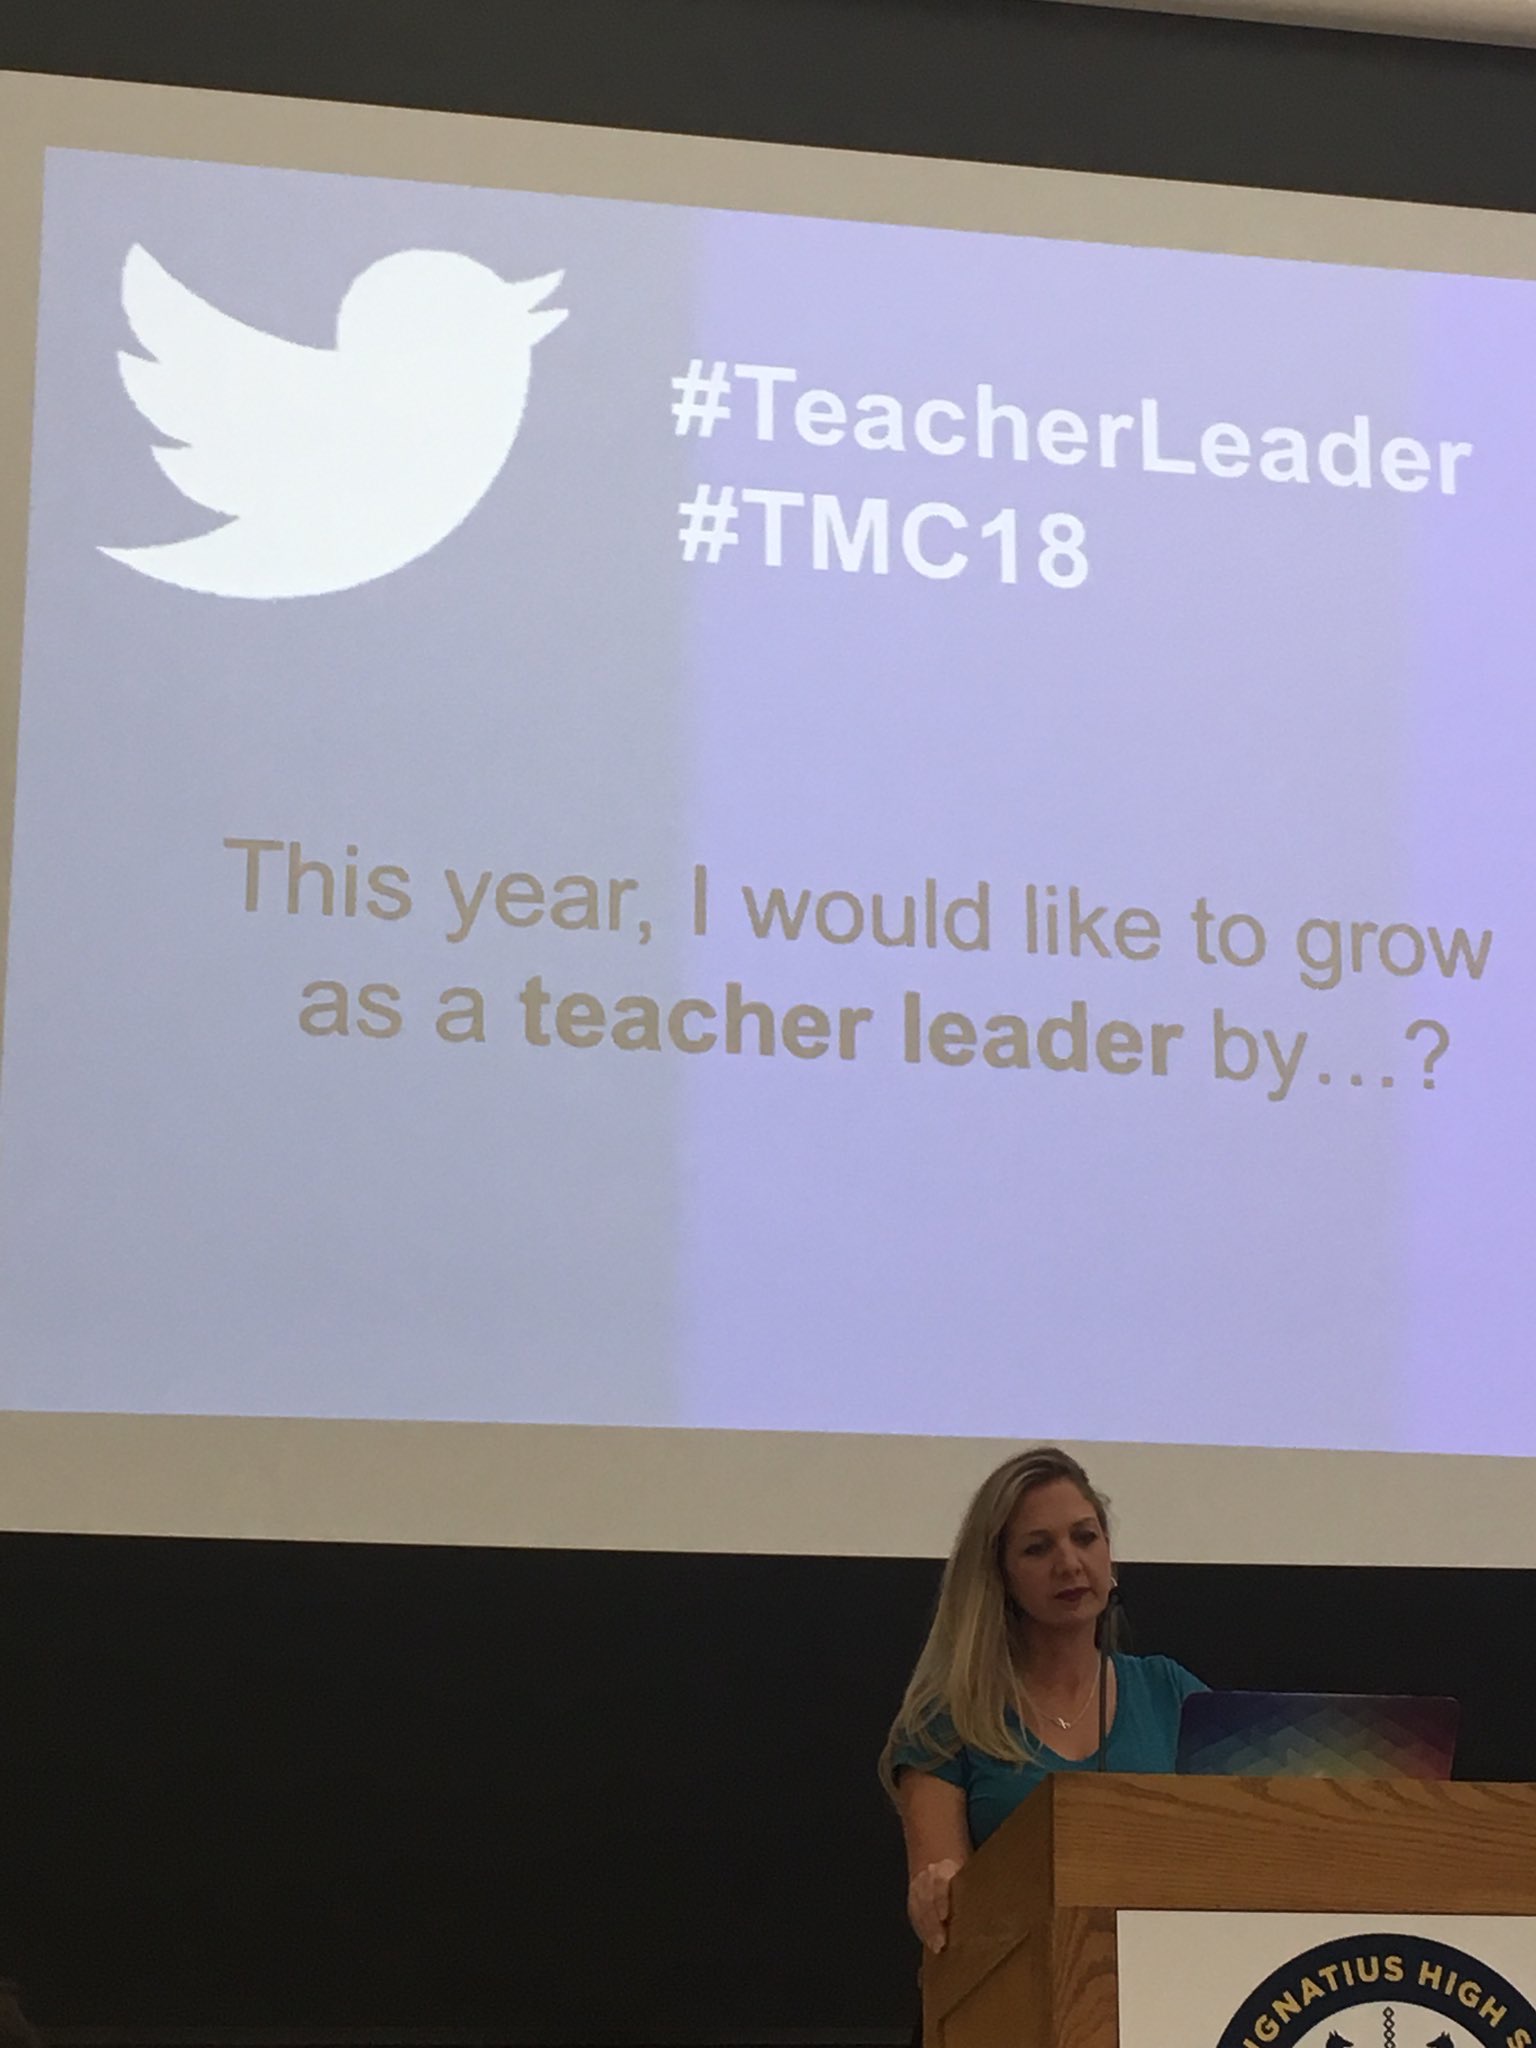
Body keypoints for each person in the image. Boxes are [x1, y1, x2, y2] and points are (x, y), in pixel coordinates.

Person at [879, 1445, 1205, 1956]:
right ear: (999, 1575)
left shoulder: (1170, 1692)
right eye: (1038, 1549)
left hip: (1172, 1971)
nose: (1069, 1563)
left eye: (1085, 1537)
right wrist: (939, 1889)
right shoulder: (948, 1718)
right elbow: (947, 1913)